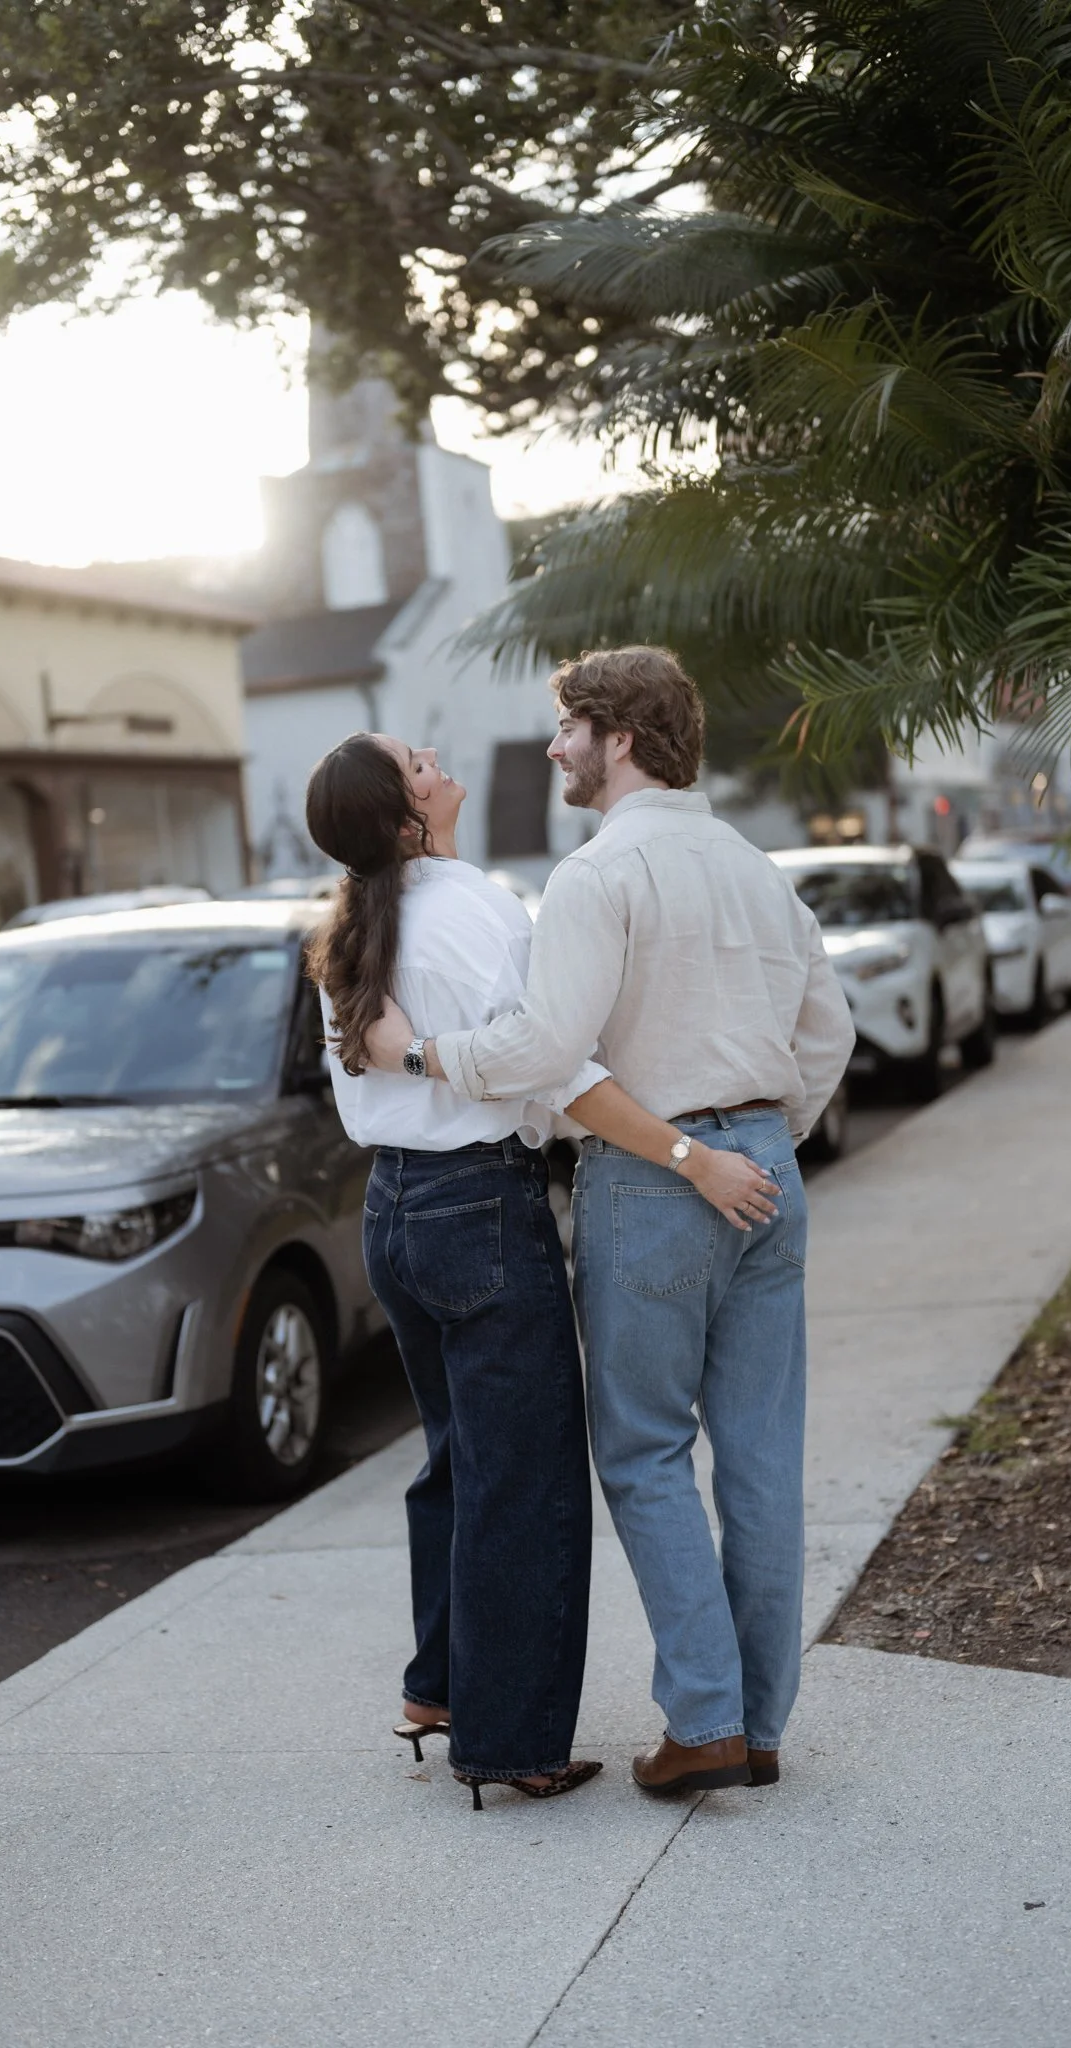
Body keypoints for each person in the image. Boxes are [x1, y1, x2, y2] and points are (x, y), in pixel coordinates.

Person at [366, 649, 855, 1795]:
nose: (554, 749)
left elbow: (543, 1053)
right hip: (768, 1172)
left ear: (619, 738)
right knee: (763, 1460)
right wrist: (764, 1135)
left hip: (653, 1183)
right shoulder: (756, 867)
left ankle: (708, 1718)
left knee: (640, 1454)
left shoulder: (598, 875)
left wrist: (421, 1051)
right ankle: (758, 1724)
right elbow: (825, 1032)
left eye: (569, 728)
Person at [304, 729, 777, 1810]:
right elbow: (555, 1066)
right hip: (476, 1204)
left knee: (462, 1459)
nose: (432, 751)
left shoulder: (350, 927)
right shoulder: (464, 906)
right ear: (405, 814)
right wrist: (689, 1153)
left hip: (397, 1209)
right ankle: (512, 1742)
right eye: (412, 759)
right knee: (526, 1476)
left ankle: (445, 1685)